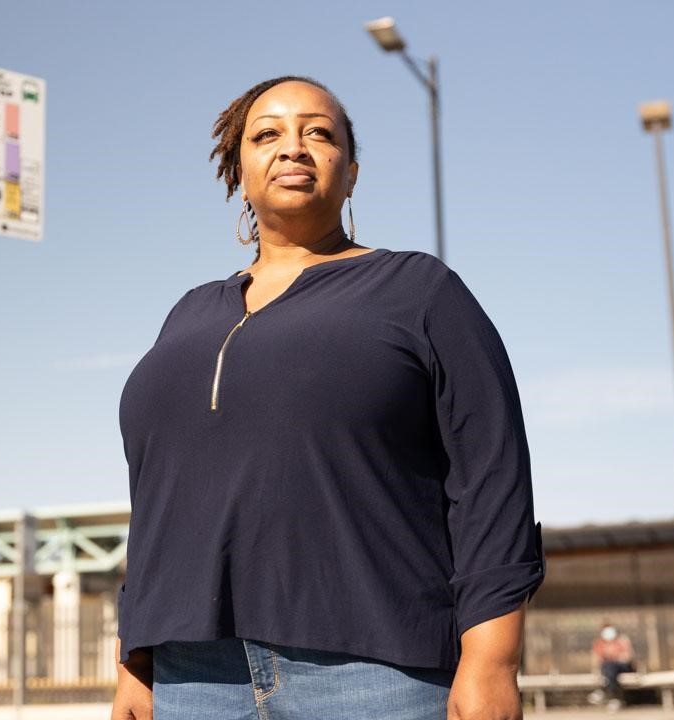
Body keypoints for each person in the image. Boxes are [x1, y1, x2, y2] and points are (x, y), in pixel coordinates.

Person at [111, 75, 545, 720]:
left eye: (319, 132)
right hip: (194, 673)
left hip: (374, 669)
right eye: (267, 135)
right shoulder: (189, 313)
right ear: (239, 169)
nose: (293, 147)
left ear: (353, 172)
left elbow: (491, 476)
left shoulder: (419, 289)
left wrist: (492, 661)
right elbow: (159, 500)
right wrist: (135, 663)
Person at [588, 622, 635, 710]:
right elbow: (596, 659)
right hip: (608, 669)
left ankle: (604, 692)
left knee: (610, 665)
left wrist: (612, 657)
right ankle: (614, 699)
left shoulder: (622, 640)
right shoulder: (599, 643)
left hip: (623, 667)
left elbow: (627, 657)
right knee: (608, 666)